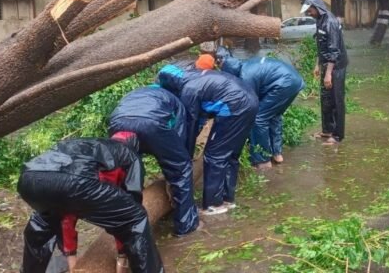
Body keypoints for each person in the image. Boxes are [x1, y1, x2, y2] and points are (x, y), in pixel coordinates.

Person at [17, 134, 163, 273]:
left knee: (41, 226)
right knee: (136, 219)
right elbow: (129, 210)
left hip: (28, 178)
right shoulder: (130, 156)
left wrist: (71, 257)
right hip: (75, 180)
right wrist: (122, 255)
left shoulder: (87, 144)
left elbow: (65, 216)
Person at [157, 64, 258, 215]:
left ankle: (213, 204)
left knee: (214, 155)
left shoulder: (188, 90)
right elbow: (201, 115)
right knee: (231, 154)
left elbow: (190, 125)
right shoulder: (195, 76)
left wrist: (185, 157)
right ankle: (227, 199)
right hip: (251, 100)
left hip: (234, 107)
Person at [108, 86, 199, 237]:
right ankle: (187, 225)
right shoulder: (175, 101)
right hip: (151, 123)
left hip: (117, 122)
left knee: (127, 167)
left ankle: (125, 212)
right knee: (181, 168)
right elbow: (179, 138)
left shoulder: (137, 92)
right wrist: (178, 167)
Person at [221, 51, 305, 169]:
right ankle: (277, 153)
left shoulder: (245, 78)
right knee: (274, 115)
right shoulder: (246, 64)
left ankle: (262, 160)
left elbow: (249, 106)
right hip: (295, 80)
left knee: (258, 118)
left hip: (283, 84)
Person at [300, 0, 348, 146]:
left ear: (317, 7)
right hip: (326, 64)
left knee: (336, 99)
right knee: (326, 98)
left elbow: (333, 50)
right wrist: (317, 64)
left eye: (310, 10)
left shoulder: (330, 22)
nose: (309, 13)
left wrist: (328, 74)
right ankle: (327, 130)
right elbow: (321, 46)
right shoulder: (319, 20)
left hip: (336, 66)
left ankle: (338, 136)